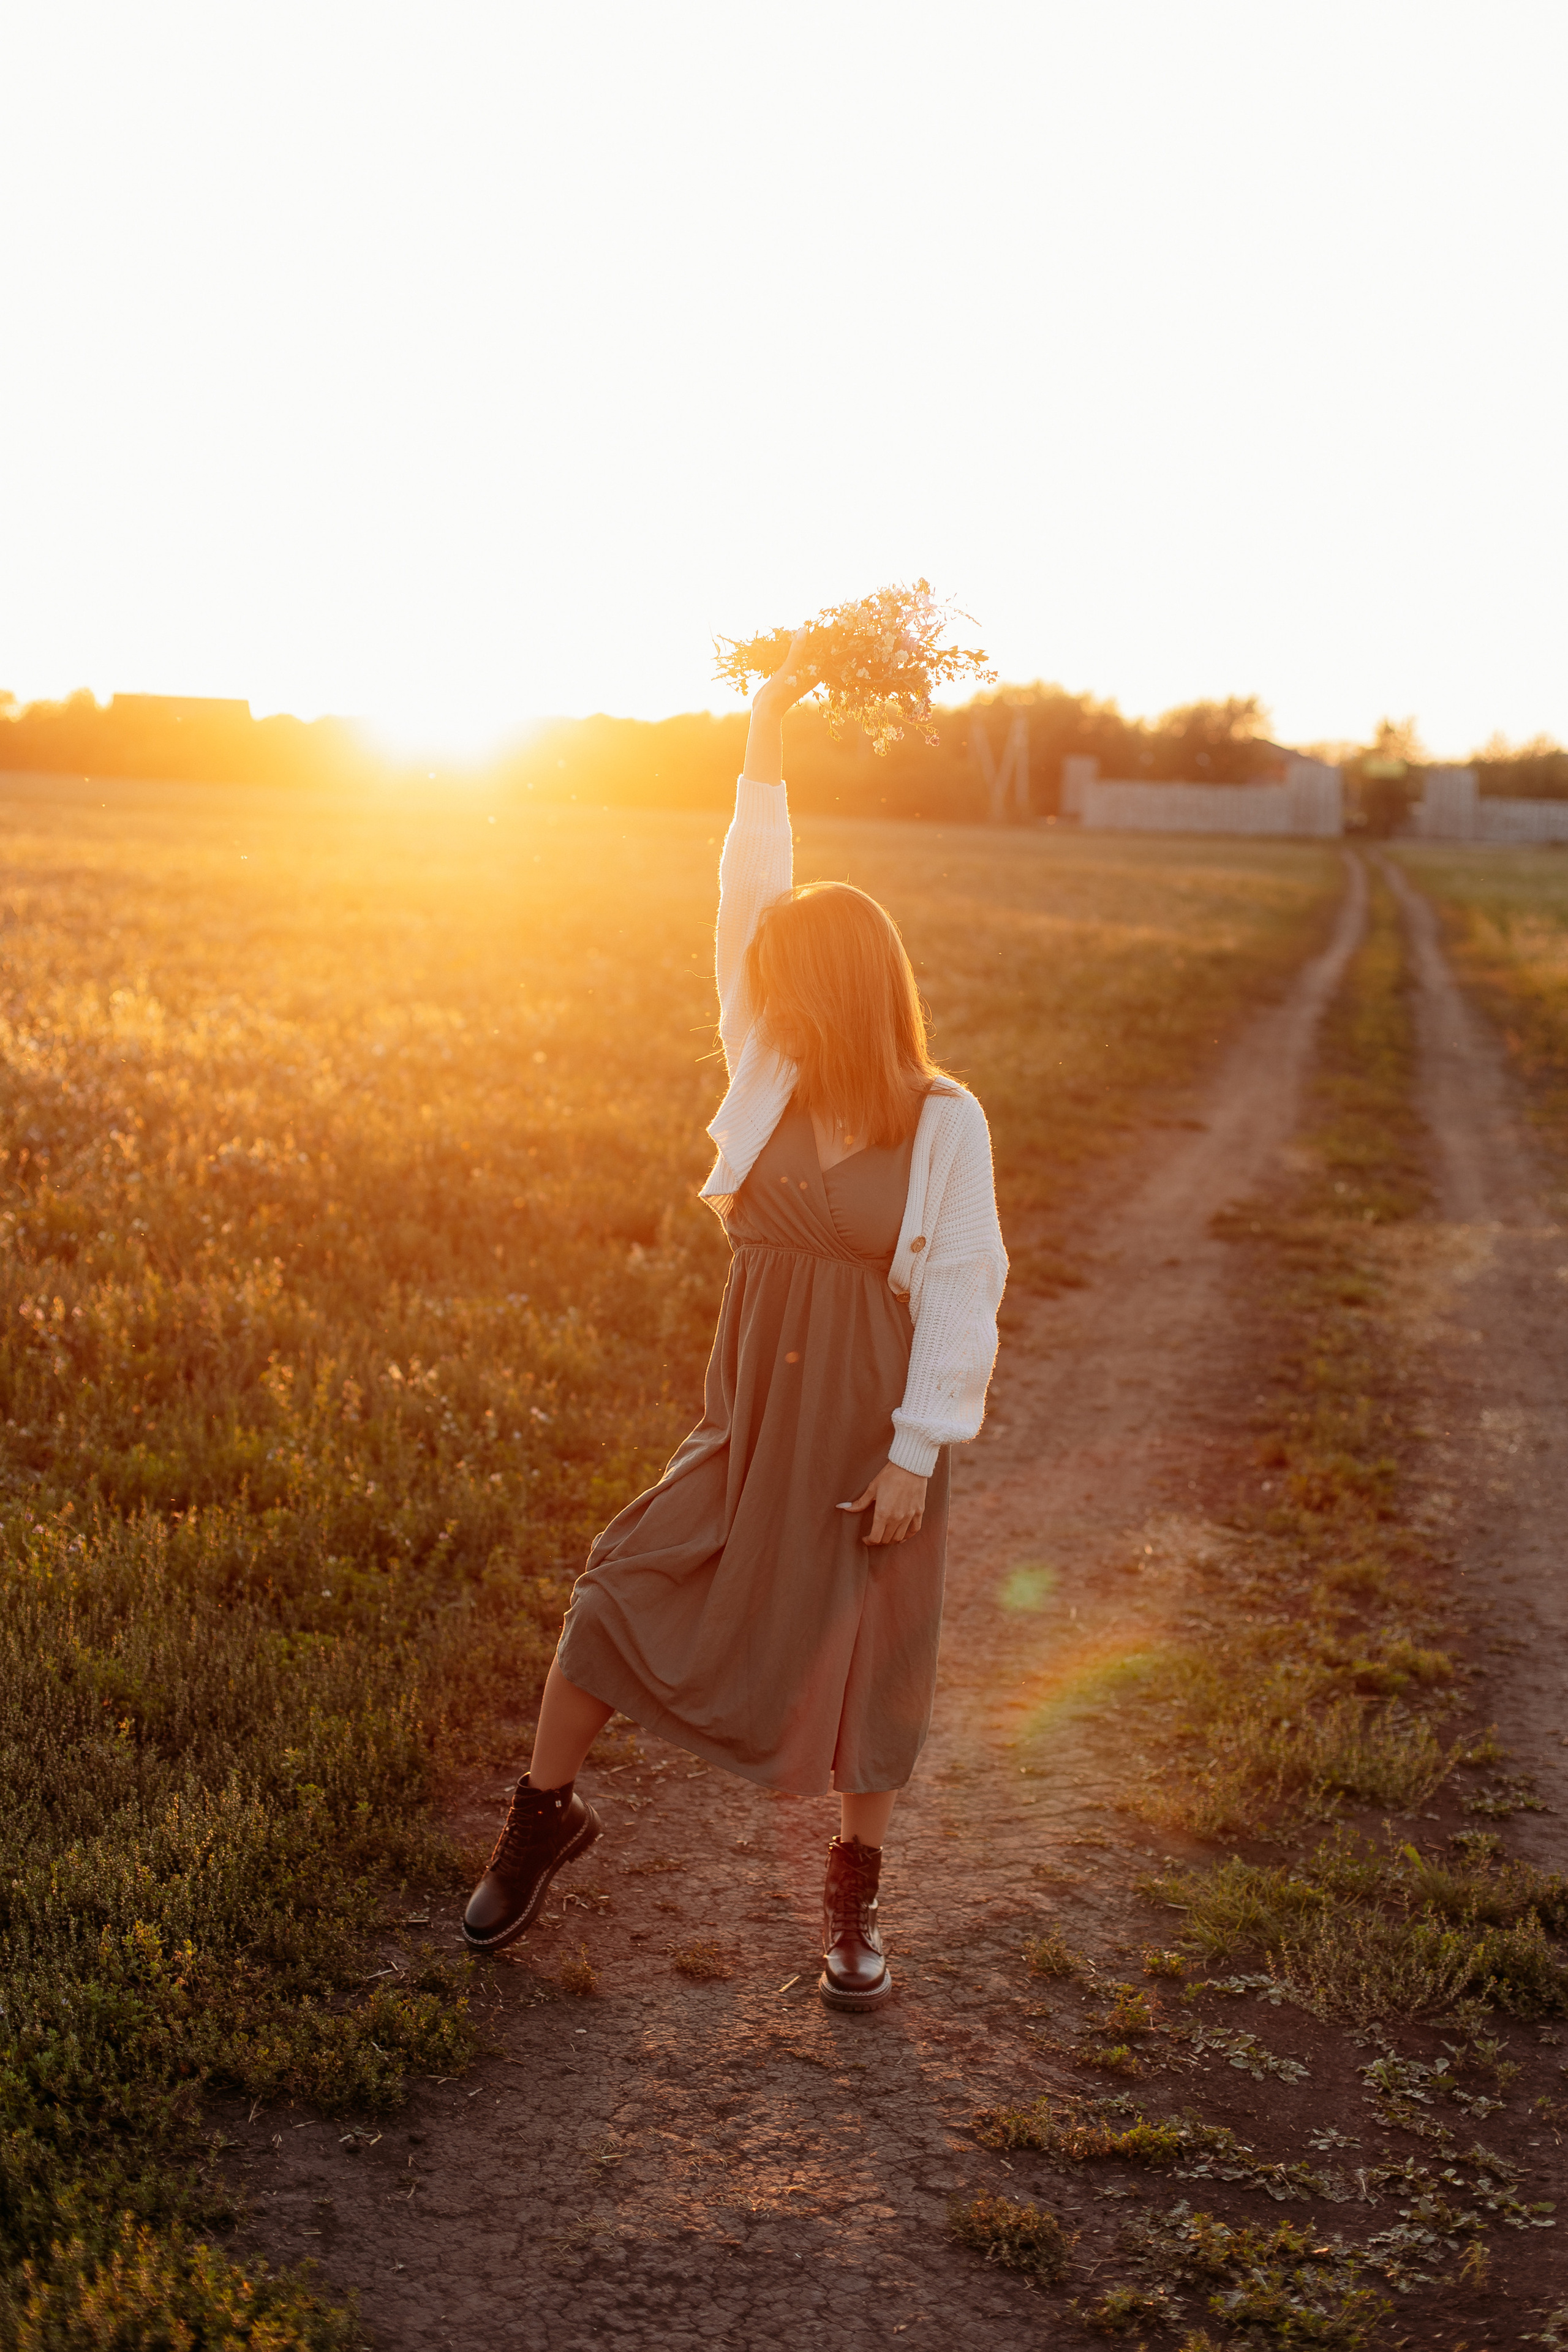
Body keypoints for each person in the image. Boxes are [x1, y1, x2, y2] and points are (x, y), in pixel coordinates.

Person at [463, 632, 1008, 2008]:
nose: (753, 992)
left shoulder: (943, 1124)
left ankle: (850, 1909)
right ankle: (543, 1813)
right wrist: (762, 738)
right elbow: (743, 895)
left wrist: (916, 1451)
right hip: (749, 1403)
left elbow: (963, 1287)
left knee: (864, 1667)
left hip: (867, 1423)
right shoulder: (761, 1071)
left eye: (780, 979)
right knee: (621, 1580)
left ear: (832, 989)